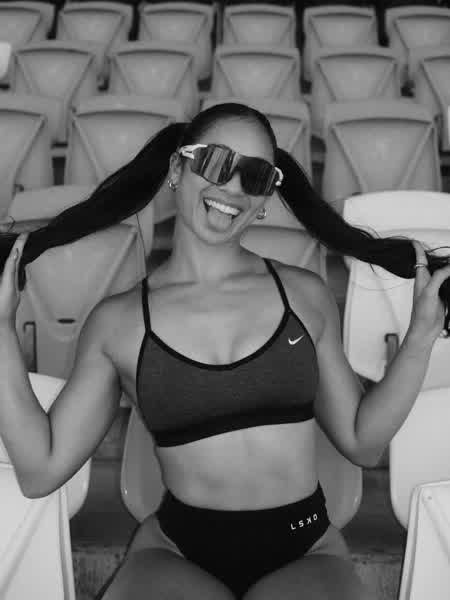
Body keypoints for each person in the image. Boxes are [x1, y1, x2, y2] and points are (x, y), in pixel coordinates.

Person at [0, 103, 449, 600]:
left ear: (265, 199)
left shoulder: (304, 295)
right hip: (177, 551)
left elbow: (363, 442)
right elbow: (41, 470)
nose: (233, 187)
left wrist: (420, 337)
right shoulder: (117, 322)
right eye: (215, 163)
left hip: (305, 549)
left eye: (255, 177)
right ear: (177, 169)